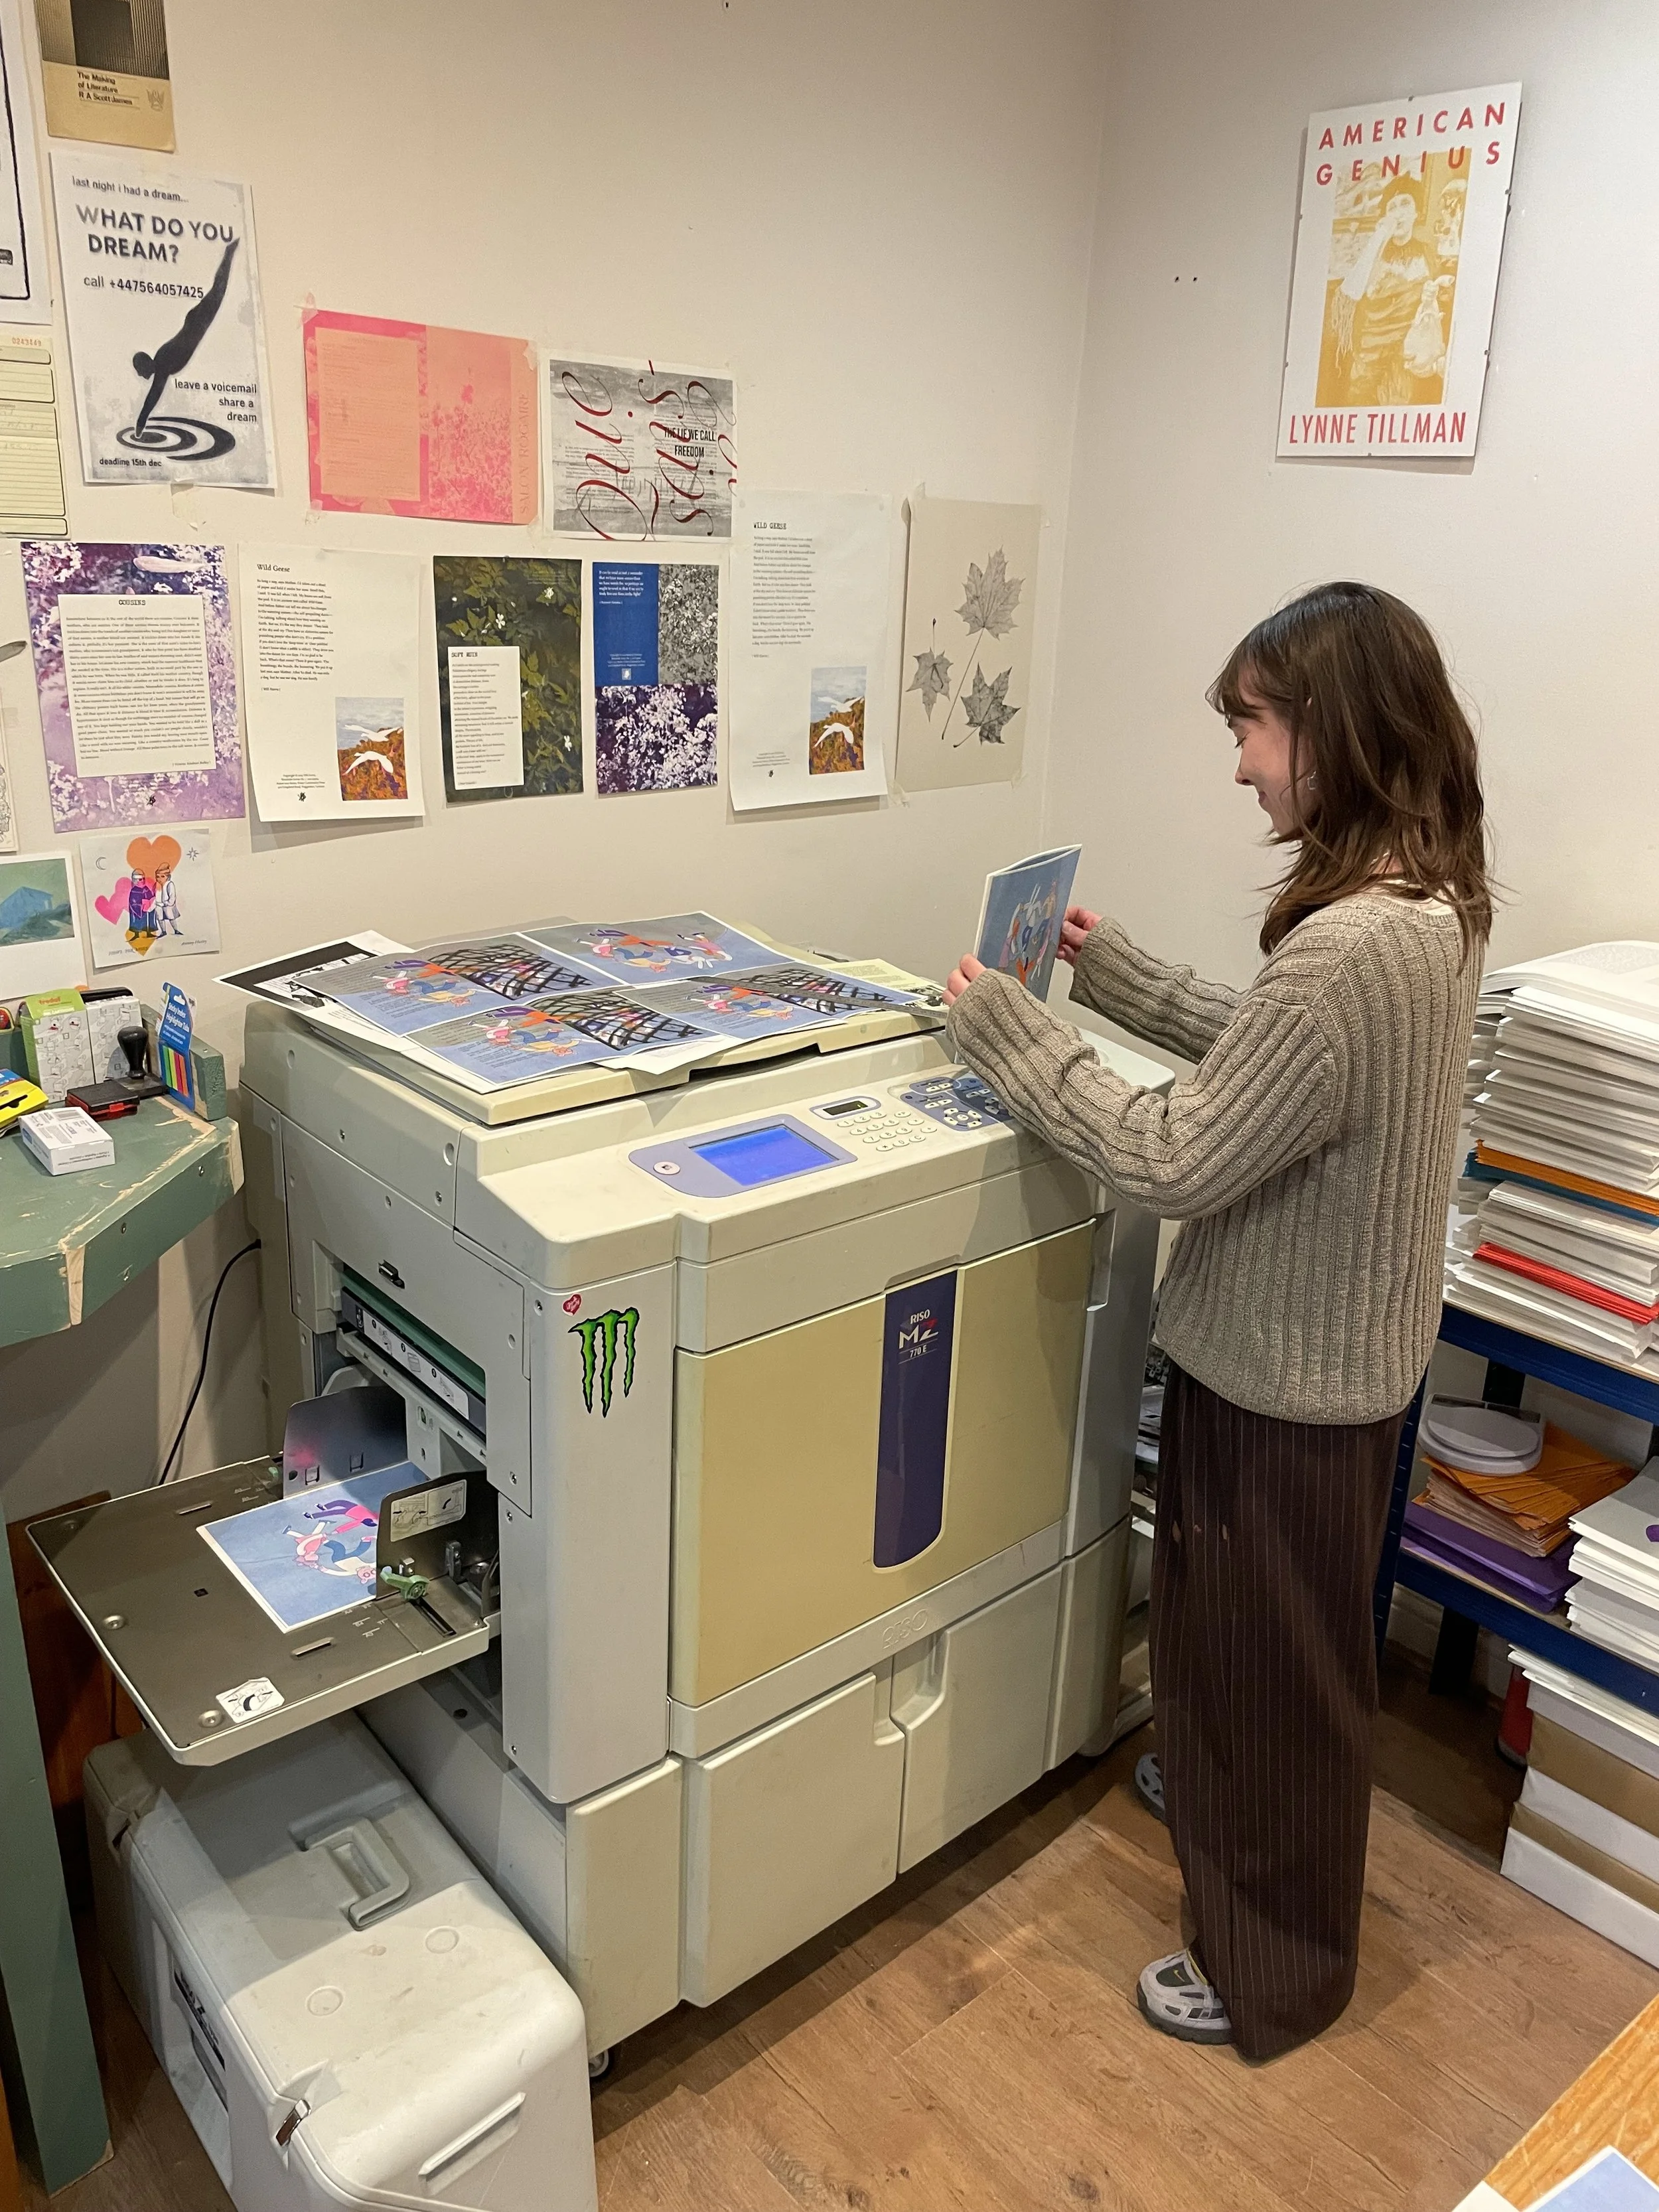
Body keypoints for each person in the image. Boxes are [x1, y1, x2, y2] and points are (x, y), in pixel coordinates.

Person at [943, 581, 1490, 2062]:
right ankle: (1219, 1781)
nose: (1238, 759)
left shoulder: (1351, 944)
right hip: (1326, 1361)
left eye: (1251, 724)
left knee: (1280, 1673)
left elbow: (1172, 1151)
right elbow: (1275, 1063)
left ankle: (1277, 1970)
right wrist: (1105, 970)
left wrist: (1012, 1033)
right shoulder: (1421, 901)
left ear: (1332, 728)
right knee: (1247, 1643)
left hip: (1284, 1387)